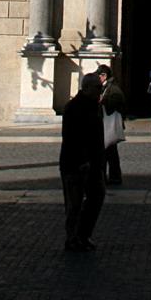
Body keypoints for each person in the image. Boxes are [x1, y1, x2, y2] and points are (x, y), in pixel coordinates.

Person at [59, 72, 107, 252]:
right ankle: (72, 238)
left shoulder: (94, 106)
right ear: (86, 88)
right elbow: (71, 138)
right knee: (74, 204)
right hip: (75, 164)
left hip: (93, 163)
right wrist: (82, 160)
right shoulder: (73, 107)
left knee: (97, 196)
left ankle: (83, 234)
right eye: (97, 88)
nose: (100, 92)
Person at [97, 64, 125, 186]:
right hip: (107, 125)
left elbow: (118, 100)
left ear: (104, 76)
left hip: (109, 125)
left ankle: (112, 177)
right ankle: (112, 177)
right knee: (109, 153)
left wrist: (104, 103)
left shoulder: (112, 88)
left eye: (99, 75)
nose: (98, 78)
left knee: (108, 153)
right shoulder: (106, 87)